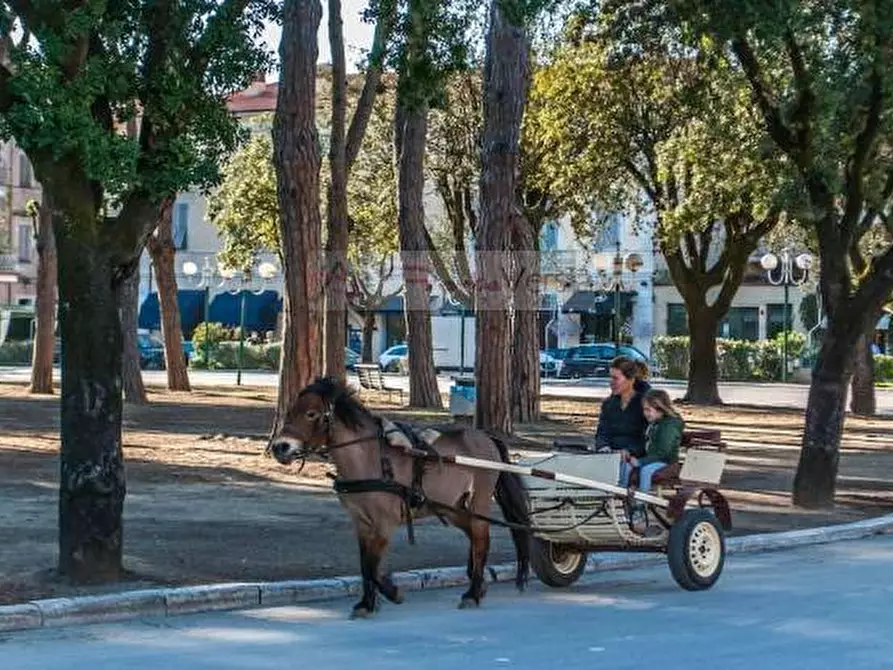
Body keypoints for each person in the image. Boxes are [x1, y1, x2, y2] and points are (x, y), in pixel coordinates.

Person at [621, 389, 684, 493]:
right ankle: (622, 492)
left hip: (666, 462)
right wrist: (630, 452)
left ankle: (641, 502)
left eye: (648, 410)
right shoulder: (654, 423)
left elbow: (663, 453)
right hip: (652, 459)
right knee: (626, 464)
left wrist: (640, 461)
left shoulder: (669, 426)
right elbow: (645, 444)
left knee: (646, 470)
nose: (645, 413)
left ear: (660, 409)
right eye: (644, 410)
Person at [594, 356, 649, 457]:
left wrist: (629, 451)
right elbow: (602, 433)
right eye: (610, 377)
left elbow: (648, 437)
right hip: (609, 456)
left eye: (615, 378)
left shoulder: (646, 404)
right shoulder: (608, 404)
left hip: (636, 458)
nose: (611, 383)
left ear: (631, 380)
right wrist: (603, 447)